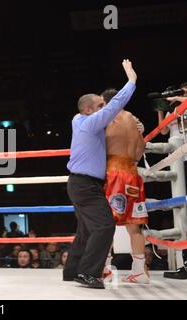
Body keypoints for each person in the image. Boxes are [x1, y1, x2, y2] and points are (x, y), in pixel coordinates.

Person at [63, 59, 137, 289]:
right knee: (104, 226)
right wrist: (131, 80)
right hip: (85, 185)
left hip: (80, 184)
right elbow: (116, 106)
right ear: (88, 110)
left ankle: (72, 270)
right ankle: (87, 273)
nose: (104, 108)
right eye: (99, 105)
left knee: (86, 229)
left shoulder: (79, 120)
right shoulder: (89, 122)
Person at [101, 88, 149, 284]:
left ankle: (104, 268)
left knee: (105, 224)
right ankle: (139, 272)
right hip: (132, 174)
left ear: (108, 102)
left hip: (114, 173)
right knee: (134, 227)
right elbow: (140, 149)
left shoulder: (110, 119)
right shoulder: (134, 121)